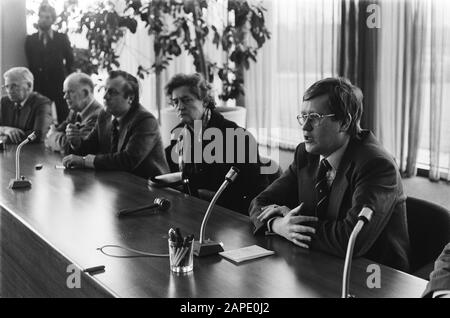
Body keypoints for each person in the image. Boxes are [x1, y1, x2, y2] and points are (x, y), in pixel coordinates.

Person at [249, 77, 411, 271]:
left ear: (344, 123)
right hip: (318, 263)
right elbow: (260, 202)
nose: (305, 127)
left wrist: (294, 229)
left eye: (315, 117)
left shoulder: (377, 165)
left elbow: (351, 239)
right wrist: (278, 225)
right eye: (303, 116)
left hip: (373, 275)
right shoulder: (306, 154)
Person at [160, 73, 268, 214]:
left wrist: (189, 183)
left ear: (204, 101)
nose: (179, 107)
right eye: (175, 102)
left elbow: (250, 194)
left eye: (186, 100)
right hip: (193, 210)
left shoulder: (237, 136)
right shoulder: (179, 136)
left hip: (230, 217)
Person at [62, 70, 168, 178]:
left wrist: (85, 161)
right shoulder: (105, 114)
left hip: (150, 187)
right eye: (105, 90)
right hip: (119, 183)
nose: (104, 96)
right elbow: (90, 146)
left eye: (112, 92)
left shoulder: (145, 120)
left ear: (130, 98)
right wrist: (77, 142)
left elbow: (128, 160)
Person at [25, 2, 74, 123]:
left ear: (52, 20)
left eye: (47, 17)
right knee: (38, 116)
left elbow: (70, 60)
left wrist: (68, 79)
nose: (43, 20)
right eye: (41, 16)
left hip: (59, 83)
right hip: (39, 84)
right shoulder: (30, 40)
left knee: (64, 115)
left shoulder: (61, 38)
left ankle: (64, 138)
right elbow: (30, 62)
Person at [45, 72, 102, 154]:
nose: (65, 97)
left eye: (70, 92)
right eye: (64, 92)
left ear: (85, 93)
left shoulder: (98, 115)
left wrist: (52, 137)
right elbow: (59, 131)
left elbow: (74, 148)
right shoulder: (75, 111)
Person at [0, 67, 52, 144]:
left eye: (14, 86)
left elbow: (38, 135)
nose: (9, 91)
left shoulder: (42, 103)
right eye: (7, 86)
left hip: (33, 153)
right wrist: (5, 130)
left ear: (29, 85)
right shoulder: (4, 101)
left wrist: (3, 139)